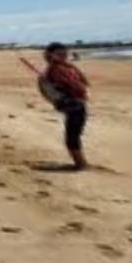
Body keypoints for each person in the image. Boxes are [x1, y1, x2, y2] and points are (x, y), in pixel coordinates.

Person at [43, 42, 90, 170]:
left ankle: (80, 164)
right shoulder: (59, 68)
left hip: (76, 104)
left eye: (64, 54)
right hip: (76, 104)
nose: (63, 56)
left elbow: (82, 84)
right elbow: (83, 84)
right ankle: (81, 162)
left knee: (72, 136)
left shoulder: (62, 68)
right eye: (59, 54)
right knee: (73, 135)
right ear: (50, 55)